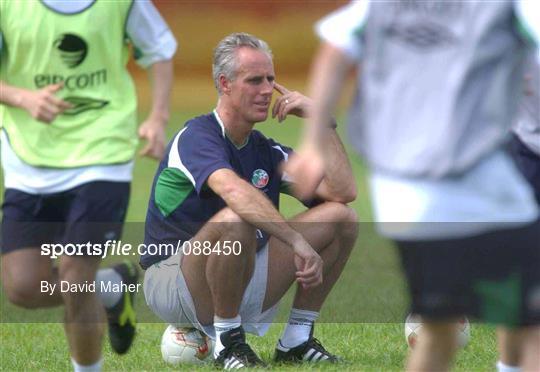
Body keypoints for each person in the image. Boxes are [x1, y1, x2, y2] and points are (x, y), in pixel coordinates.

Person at [285, 1, 540, 371]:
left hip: (418, 190)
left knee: (442, 330)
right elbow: (336, 48)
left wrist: (311, 142)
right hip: (448, 184)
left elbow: (335, 49)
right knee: (516, 315)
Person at [141, 32, 358, 369]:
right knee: (236, 218)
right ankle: (228, 343)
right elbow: (234, 192)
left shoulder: (266, 150)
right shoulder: (197, 136)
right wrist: (296, 240)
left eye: (271, 79)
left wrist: (322, 120)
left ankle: (296, 340)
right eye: (255, 80)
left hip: (239, 273)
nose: (268, 89)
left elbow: (343, 192)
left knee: (342, 218)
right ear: (225, 84)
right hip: (174, 281)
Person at [0, 1, 176, 371]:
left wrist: (158, 117)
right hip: (27, 158)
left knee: (73, 274)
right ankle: (110, 287)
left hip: (102, 154)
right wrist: (23, 97)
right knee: (24, 287)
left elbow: (159, 49)